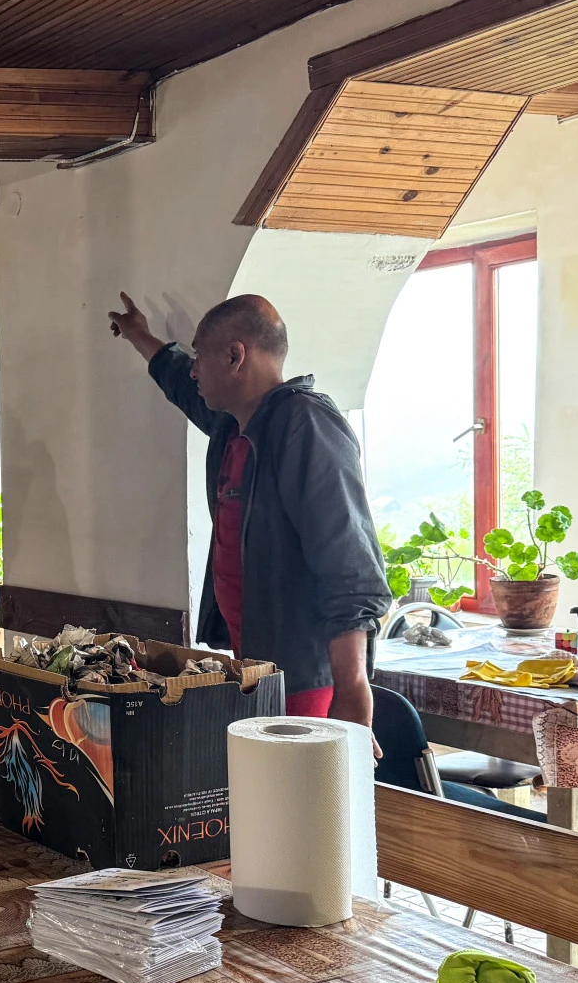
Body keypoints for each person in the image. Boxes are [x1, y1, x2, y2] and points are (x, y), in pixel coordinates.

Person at [107, 292, 389, 728]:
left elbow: (349, 564)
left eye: (200, 355)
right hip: (257, 666)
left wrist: (352, 689)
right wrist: (140, 336)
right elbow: (181, 382)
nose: (195, 368)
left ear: (235, 356)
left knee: (298, 774)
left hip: (304, 680)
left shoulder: (305, 426)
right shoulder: (234, 425)